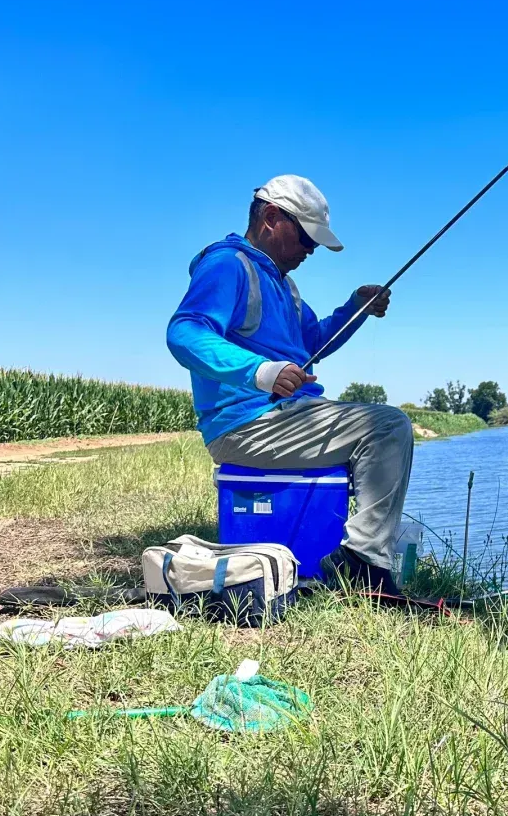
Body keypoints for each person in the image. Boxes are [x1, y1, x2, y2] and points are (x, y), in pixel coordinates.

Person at [166, 174, 413, 593]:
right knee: (388, 426)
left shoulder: (284, 285)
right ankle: (364, 565)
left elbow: (314, 341)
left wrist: (356, 307)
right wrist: (263, 372)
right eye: (306, 238)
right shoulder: (228, 265)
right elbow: (185, 332)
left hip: (289, 416)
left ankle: (358, 555)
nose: (311, 250)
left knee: (381, 426)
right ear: (272, 218)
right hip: (249, 423)